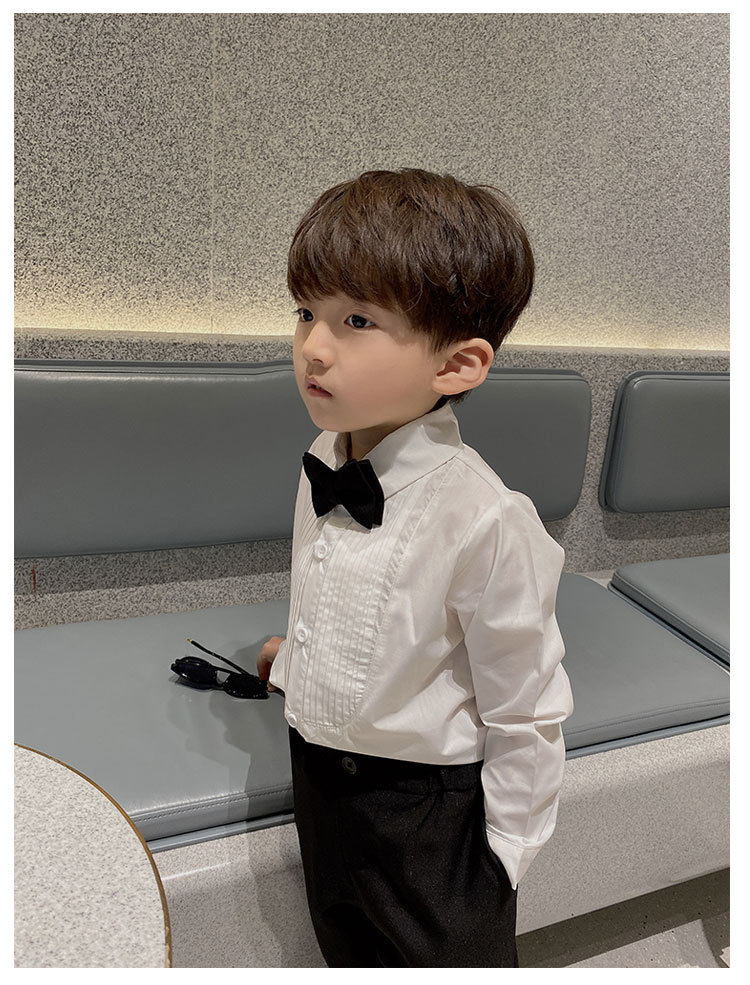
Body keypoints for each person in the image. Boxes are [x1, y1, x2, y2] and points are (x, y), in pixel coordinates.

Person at [256, 167, 574, 968]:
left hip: (427, 820)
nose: (313, 346)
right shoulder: (323, 459)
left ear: (457, 365)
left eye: (357, 320)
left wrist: (500, 859)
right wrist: (295, 662)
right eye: (306, 312)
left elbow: (527, 704)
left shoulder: (487, 517)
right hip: (320, 790)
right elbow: (342, 596)